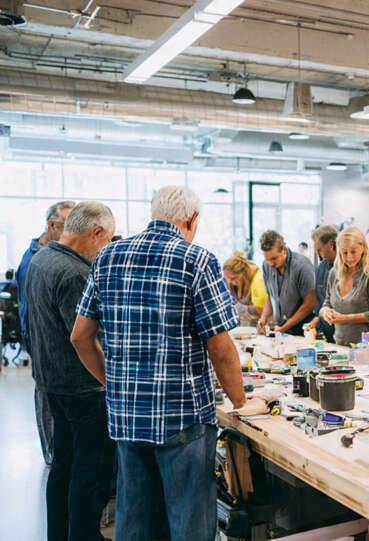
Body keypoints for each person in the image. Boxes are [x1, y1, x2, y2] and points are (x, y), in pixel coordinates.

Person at [71, 186, 246, 541]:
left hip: (126, 416)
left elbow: (79, 337)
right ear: (192, 218)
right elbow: (221, 347)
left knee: (135, 521)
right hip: (182, 417)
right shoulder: (197, 260)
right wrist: (241, 402)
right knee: (189, 524)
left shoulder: (108, 257)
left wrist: (115, 383)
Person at [26, 202, 116, 541]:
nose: (105, 248)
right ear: (94, 233)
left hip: (54, 382)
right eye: (106, 240)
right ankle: (83, 535)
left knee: (63, 464)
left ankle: (59, 534)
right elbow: (83, 338)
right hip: (83, 388)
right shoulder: (75, 273)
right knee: (90, 471)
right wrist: (109, 382)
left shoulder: (42, 258)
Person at [17, 199, 75, 466]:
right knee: (48, 405)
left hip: (56, 355)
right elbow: (30, 315)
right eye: (67, 225)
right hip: (46, 353)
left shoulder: (53, 257)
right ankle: (53, 456)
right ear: (52, 225)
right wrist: (39, 353)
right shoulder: (34, 262)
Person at [319, 228, 369, 348]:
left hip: (368, 346)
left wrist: (344, 318)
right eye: (344, 252)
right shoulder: (334, 273)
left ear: (363, 248)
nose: (349, 257)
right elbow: (327, 302)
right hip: (341, 342)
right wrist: (325, 311)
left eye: (353, 251)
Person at [257, 230, 317, 336]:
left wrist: (285, 327)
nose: (270, 263)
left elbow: (310, 303)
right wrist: (264, 318)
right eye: (267, 259)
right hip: (282, 327)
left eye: (274, 259)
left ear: (284, 250)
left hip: (303, 328)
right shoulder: (266, 265)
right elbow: (271, 296)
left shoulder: (302, 266)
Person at [309, 225, 338, 342]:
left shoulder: (346, 268)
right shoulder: (321, 267)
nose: (319, 254)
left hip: (343, 331)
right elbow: (321, 299)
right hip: (325, 331)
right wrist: (317, 317)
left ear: (331, 244)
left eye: (320, 250)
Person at [222, 253, 268, 327]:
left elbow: (262, 311)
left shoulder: (259, 282)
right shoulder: (233, 282)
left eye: (233, 278)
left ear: (243, 273)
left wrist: (243, 308)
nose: (231, 282)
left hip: (261, 327)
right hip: (244, 327)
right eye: (228, 279)